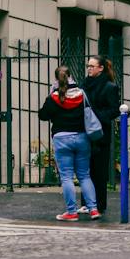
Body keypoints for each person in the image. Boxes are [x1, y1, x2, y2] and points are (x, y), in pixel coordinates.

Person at [39, 65, 99, 221]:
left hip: (61, 139)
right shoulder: (82, 94)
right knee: (85, 175)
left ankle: (71, 212)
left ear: (56, 79)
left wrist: (52, 93)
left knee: (66, 177)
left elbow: (43, 115)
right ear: (71, 76)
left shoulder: (54, 97)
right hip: (82, 138)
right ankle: (93, 209)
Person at [83, 56, 122, 210]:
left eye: (92, 66)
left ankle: (99, 204)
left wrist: (95, 115)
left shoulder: (110, 87)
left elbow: (114, 110)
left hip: (100, 134)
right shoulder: (85, 85)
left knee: (99, 172)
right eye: (88, 66)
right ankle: (87, 204)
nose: (89, 68)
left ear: (101, 68)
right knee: (85, 171)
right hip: (85, 133)